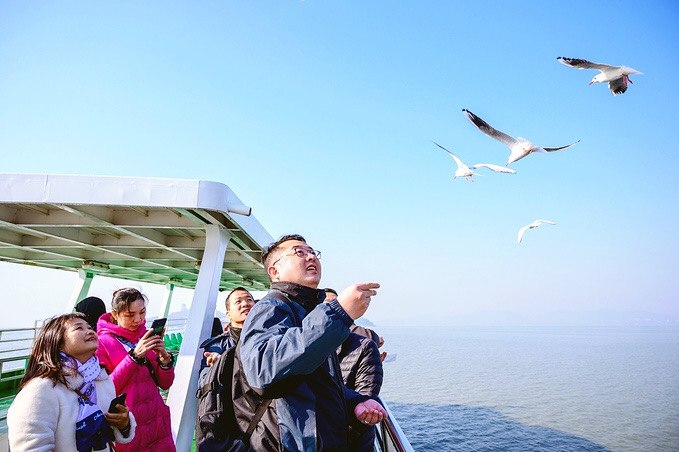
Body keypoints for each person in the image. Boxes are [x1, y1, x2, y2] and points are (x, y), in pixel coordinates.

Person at [237, 234, 387, 451]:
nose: (310, 257)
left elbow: (317, 385)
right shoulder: (271, 308)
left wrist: (355, 401)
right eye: (299, 252)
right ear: (274, 272)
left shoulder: (305, 313)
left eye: (312, 252)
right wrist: (339, 312)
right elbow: (263, 372)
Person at [8, 313, 136, 451]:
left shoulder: (101, 380)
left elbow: (109, 431)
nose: (90, 331)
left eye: (89, 327)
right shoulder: (41, 390)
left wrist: (124, 424)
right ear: (56, 341)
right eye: (79, 328)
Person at [96, 288, 176, 451]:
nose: (138, 319)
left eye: (142, 312)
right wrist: (134, 357)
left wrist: (164, 359)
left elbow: (165, 384)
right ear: (115, 314)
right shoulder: (102, 343)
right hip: (129, 426)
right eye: (130, 315)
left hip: (157, 423)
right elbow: (105, 389)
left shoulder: (146, 336)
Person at [198, 286, 255, 384]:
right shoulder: (216, 346)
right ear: (228, 315)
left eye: (249, 300)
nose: (245, 304)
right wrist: (218, 368)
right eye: (238, 302)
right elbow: (203, 383)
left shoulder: (270, 337)